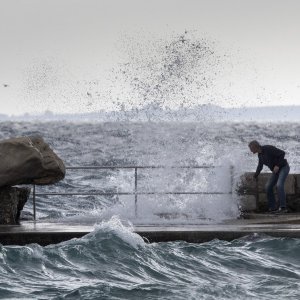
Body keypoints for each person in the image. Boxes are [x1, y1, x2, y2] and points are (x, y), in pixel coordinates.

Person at [248, 140, 290, 213]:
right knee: (268, 187)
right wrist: (254, 177)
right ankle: (273, 208)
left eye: (251, 148)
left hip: (283, 167)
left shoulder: (268, 148)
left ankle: (283, 208)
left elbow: (282, 153)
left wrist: (277, 165)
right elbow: (259, 167)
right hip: (276, 171)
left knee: (279, 185)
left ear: (255, 146)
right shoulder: (260, 155)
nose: (251, 151)